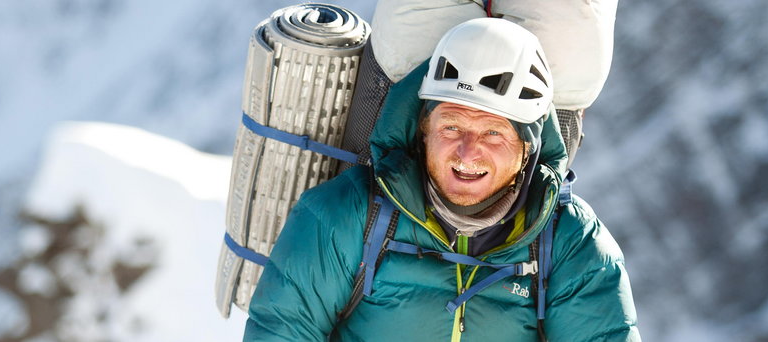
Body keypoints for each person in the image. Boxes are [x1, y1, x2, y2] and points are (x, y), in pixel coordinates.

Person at [243, 18, 640, 341]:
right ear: (423, 129)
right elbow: (281, 331)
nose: (468, 153)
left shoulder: (570, 241)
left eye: (493, 133)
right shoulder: (344, 216)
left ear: (527, 147)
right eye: (451, 127)